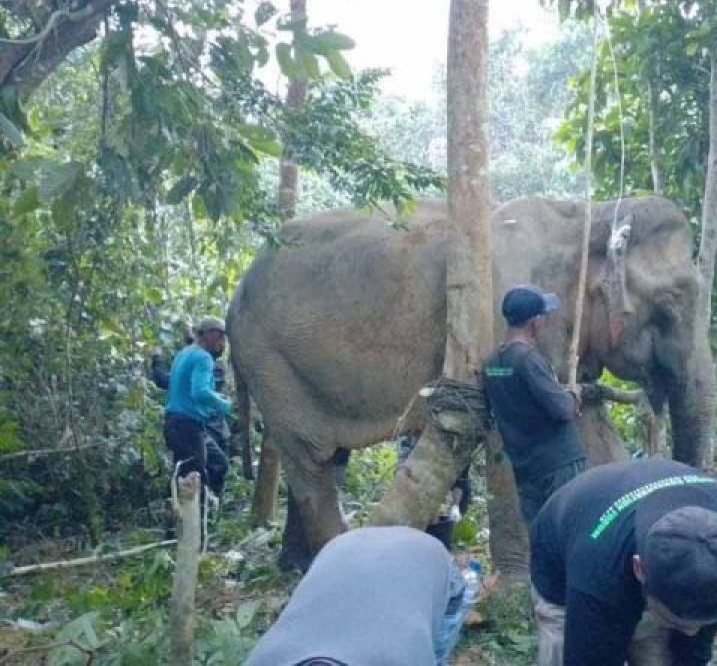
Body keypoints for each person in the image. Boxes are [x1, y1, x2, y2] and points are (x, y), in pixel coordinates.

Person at [529, 458, 717, 666]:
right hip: (564, 559)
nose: (692, 632)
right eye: (674, 621)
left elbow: (693, 647)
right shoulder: (596, 579)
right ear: (639, 569)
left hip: (637, 562)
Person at [246, 526, 470, 666]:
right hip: (343, 548)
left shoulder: (399, 659)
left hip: (430, 561)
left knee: (433, 649)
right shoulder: (261, 660)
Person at [483, 284, 587, 527]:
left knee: (541, 535)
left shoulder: (492, 364)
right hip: (558, 465)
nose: (546, 321)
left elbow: (514, 391)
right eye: (544, 316)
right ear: (535, 322)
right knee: (570, 528)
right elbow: (562, 409)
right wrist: (573, 395)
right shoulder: (527, 359)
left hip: (526, 468)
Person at [163, 317, 232, 497]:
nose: (222, 343)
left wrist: (216, 396)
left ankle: (208, 510)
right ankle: (191, 522)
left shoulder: (184, 353)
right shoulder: (203, 357)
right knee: (193, 480)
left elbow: (186, 388)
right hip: (187, 425)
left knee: (219, 463)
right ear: (208, 335)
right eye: (220, 337)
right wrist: (224, 405)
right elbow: (200, 392)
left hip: (180, 424)